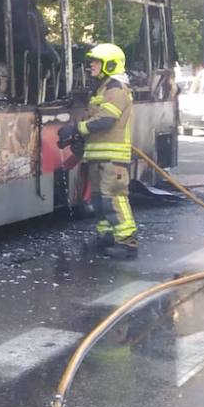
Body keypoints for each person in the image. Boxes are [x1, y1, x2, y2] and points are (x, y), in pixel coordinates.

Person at [59, 43, 136, 259]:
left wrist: (77, 128)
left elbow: (105, 120)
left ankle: (127, 242)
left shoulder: (116, 89)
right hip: (97, 157)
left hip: (112, 159)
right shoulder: (102, 89)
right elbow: (92, 119)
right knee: (99, 201)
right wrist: (77, 138)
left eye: (96, 62)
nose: (91, 65)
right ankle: (107, 237)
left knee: (114, 199)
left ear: (110, 64)